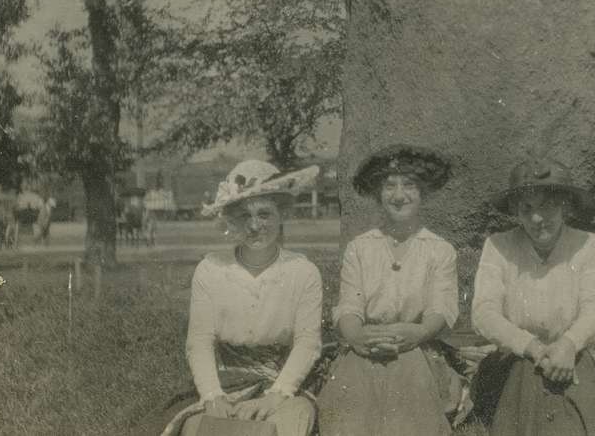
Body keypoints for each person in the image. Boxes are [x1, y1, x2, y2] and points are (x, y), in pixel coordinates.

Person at [158, 159, 322, 436]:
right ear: (231, 220)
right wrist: (212, 396)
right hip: (225, 383)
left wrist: (276, 395)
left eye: (264, 214)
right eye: (245, 216)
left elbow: (307, 342)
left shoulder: (302, 272)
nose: (255, 225)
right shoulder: (211, 269)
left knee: (285, 424)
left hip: (280, 385)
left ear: (282, 214)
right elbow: (199, 340)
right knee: (202, 428)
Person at [318, 145, 462, 436]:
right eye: (389, 186)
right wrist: (356, 336)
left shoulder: (438, 250)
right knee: (350, 401)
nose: (399, 195)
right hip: (366, 344)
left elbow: (441, 309)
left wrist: (417, 333)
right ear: (377, 194)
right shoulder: (361, 248)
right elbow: (349, 306)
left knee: (408, 392)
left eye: (409, 185)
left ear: (423, 193)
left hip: (417, 344)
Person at [470, 157, 595, 436]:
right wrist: (533, 347)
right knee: (528, 377)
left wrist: (568, 344)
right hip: (515, 359)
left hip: (571, 356)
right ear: (516, 211)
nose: (537, 219)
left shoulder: (587, 245)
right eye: (527, 208)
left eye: (548, 206)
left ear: (565, 206)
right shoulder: (498, 246)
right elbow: (483, 313)